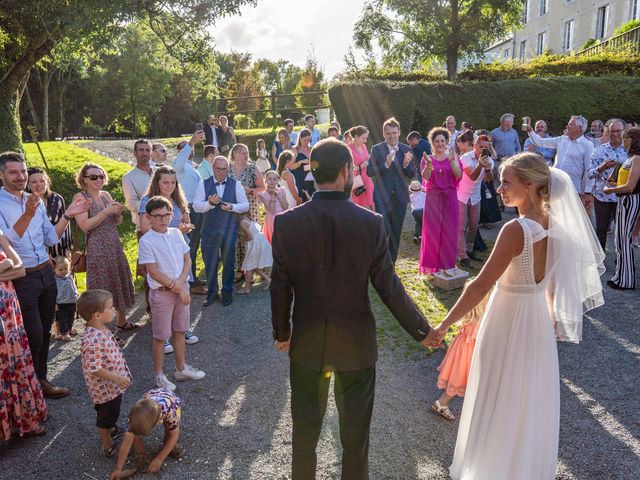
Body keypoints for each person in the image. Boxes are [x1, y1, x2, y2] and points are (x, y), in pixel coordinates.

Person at [270, 138, 438, 479]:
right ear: (347, 171)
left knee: (304, 435)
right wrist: (423, 330)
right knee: (355, 439)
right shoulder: (371, 222)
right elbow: (389, 289)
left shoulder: (287, 223)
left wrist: (282, 332)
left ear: (312, 172)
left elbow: (280, 286)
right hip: (356, 345)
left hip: (307, 344)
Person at [433, 153, 605, 480]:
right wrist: (551, 318)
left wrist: (443, 324)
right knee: (526, 399)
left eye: (506, 182)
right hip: (536, 320)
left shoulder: (517, 229)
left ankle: (489, 469)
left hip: (506, 317)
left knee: (496, 394)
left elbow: (481, 285)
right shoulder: (557, 226)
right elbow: (552, 285)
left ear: (529, 186)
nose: (499, 188)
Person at [0, 151, 90, 399]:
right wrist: (27, 215)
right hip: (21, 277)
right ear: (1, 174)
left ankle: (41, 380)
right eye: (13, 172)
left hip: (46, 273)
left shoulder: (35, 200)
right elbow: (4, 242)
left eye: (22, 171)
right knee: (33, 334)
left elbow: (51, 237)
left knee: (45, 331)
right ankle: (26, 388)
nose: (20, 177)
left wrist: (68, 214)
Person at [138, 196, 206, 390]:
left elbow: (188, 260)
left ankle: (181, 368)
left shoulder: (176, 233)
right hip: (162, 293)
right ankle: (159, 375)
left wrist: (182, 284)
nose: (163, 219)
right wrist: (177, 288)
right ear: (149, 218)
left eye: (167, 214)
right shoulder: (146, 240)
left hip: (180, 288)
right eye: (158, 216)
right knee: (161, 336)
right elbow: (153, 271)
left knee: (180, 330)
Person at [138, 166, 200, 351]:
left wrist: (185, 228)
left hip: (179, 248)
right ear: (157, 182)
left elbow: (186, 220)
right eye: (166, 182)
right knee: (162, 292)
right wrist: (172, 231)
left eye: (173, 182)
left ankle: (182, 328)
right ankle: (163, 335)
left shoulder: (179, 198)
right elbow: (144, 229)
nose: (170, 185)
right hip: (158, 251)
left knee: (182, 287)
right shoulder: (148, 200)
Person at [74, 163, 137, 335]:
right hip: (97, 248)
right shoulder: (81, 197)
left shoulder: (106, 195)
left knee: (119, 282)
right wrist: (106, 212)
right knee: (102, 287)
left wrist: (117, 213)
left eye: (101, 176)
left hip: (114, 245)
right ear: (84, 179)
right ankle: (103, 332)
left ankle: (122, 322)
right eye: (93, 177)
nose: (99, 179)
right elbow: (85, 226)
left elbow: (117, 223)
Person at [0, 231, 48, 440]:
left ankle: (25, 421)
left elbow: (19, 269)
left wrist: (7, 259)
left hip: (9, 311)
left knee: (16, 362)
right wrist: (6, 264)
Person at [78, 289, 132, 458]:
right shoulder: (92, 340)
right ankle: (108, 445)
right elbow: (95, 368)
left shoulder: (101, 328)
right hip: (106, 390)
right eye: (110, 307)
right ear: (97, 315)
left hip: (111, 387)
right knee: (105, 416)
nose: (114, 309)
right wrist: (118, 378)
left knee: (110, 412)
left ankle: (111, 427)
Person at [193, 156, 249, 307]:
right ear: (213, 168)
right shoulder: (203, 184)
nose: (222, 172)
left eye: (225, 169)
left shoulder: (235, 184)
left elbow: (245, 205)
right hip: (209, 230)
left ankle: (227, 292)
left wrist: (232, 207)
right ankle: (211, 293)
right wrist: (210, 204)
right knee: (210, 262)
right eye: (219, 169)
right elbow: (196, 207)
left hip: (229, 230)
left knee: (228, 263)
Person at [432, 284, 493, 421]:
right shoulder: (481, 323)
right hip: (468, 354)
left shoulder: (470, 315)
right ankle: (441, 403)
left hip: (460, 350)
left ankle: (446, 403)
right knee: (460, 380)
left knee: (458, 378)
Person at [366, 117, 416, 263]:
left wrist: (407, 165)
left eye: (394, 132)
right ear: (384, 134)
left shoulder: (406, 149)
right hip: (382, 197)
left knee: (395, 233)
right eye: (388, 133)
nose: (391, 136)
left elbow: (412, 174)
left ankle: (391, 264)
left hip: (400, 198)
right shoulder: (376, 149)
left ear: (399, 132)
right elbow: (369, 171)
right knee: (382, 232)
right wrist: (385, 164)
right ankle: (380, 262)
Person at [525, 115, 595, 212]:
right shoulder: (561, 139)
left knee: (570, 216)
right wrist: (530, 130)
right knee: (552, 213)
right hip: (555, 184)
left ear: (579, 128)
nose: (567, 126)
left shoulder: (587, 145)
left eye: (570, 124)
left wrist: (587, 191)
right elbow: (539, 142)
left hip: (573, 187)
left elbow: (589, 169)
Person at [110, 388, 184, 479]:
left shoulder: (170, 412)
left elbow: (175, 435)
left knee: (170, 430)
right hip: (149, 400)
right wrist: (118, 469)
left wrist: (160, 458)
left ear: (155, 424)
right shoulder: (134, 416)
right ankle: (141, 455)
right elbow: (126, 443)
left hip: (170, 401)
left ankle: (168, 445)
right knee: (134, 432)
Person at [420, 128, 463, 274]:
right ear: (432, 143)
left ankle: (447, 265)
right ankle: (432, 266)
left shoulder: (453, 156)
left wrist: (451, 161)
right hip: (433, 198)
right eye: (437, 141)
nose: (440, 143)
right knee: (433, 231)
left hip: (450, 197)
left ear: (447, 142)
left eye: (442, 141)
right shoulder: (427, 158)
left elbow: (458, 176)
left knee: (449, 230)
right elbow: (425, 178)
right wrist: (428, 166)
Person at [603, 127, 640, 290]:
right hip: (624, 200)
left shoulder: (637, 158)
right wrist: (613, 184)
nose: (622, 140)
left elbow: (631, 186)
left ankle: (627, 280)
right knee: (619, 240)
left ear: (632, 139)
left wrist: (610, 190)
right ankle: (620, 277)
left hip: (629, 200)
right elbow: (625, 184)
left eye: (624, 137)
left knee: (624, 240)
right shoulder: (631, 158)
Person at [122, 139, 155, 319]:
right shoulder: (129, 177)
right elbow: (132, 204)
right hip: (145, 228)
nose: (144, 153)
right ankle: (151, 311)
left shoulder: (159, 172)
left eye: (147, 150)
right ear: (135, 153)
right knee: (150, 271)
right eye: (141, 150)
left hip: (167, 227)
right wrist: (157, 206)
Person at [173, 132, 206, 288]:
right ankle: (190, 281)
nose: (190, 148)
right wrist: (192, 141)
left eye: (191, 146)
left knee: (194, 244)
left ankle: (191, 278)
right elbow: (178, 163)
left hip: (197, 208)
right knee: (190, 245)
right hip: (188, 209)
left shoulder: (191, 167)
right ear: (180, 151)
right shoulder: (178, 165)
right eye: (185, 146)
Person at [229, 143, 265, 281]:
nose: (246, 155)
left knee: (251, 236)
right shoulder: (228, 168)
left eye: (247, 152)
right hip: (233, 207)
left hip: (251, 207)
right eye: (243, 153)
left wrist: (249, 190)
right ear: (235, 154)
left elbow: (262, 187)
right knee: (236, 236)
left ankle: (252, 269)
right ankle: (239, 269)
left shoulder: (253, 167)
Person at [588, 119, 627, 250]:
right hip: (602, 196)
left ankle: (621, 261)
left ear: (624, 132)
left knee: (622, 230)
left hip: (622, 196)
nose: (615, 134)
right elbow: (589, 173)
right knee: (601, 229)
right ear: (607, 132)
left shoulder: (630, 151)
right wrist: (601, 167)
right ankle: (600, 260)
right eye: (612, 131)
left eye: (618, 131)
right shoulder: (598, 150)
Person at [456, 134, 494, 268]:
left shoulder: (489, 160)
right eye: (481, 146)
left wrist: (488, 168)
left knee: (473, 225)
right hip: (461, 195)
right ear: (475, 145)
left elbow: (488, 179)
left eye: (486, 147)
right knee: (461, 226)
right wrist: (480, 165)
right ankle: (462, 256)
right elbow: (472, 176)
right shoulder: (465, 157)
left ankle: (469, 250)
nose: (483, 149)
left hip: (476, 196)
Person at [26, 167, 73, 259]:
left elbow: (66, 226)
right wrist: (44, 253)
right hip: (38, 253)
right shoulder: (26, 203)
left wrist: (68, 248)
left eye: (42, 181)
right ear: (27, 185)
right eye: (34, 182)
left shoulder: (57, 199)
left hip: (59, 251)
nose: (39, 184)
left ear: (47, 182)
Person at [238, 213, 272, 294]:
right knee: (254, 265)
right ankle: (269, 280)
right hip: (260, 240)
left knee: (249, 266)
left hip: (256, 243)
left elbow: (250, 237)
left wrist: (241, 239)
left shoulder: (241, 223)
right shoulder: (247, 217)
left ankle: (246, 289)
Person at [348, 125, 375, 210]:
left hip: (367, 178)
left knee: (372, 201)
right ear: (356, 136)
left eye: (366, 138)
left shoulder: (363, 146)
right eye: (363, 138)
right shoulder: (348, 148)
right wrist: (361, 166)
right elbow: (347, 169)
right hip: (357, 182)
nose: (365, 141)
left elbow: (368, 160)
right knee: (358, 204)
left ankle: (375, 220)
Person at [53, 255, 78, 341]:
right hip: (60, 303)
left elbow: (73, 286)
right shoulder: (54, 280)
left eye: (66, 268)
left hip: (71, 301)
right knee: (62, 318)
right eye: (60, 269)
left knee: (71, 316)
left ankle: (70, 328)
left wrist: (76, 295)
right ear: (54, 269)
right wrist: (54, 303)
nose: (64, 271)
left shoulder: (69, 276)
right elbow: (53, 292)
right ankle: (64, 332)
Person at [259, 170, 288, 243]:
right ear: (265, 180)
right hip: (271, 220)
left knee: (282, 239)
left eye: (274, 179)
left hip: (282, 218)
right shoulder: (263, 195)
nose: (272, 181)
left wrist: (277, 194)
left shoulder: (282, 190)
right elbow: (271, 210)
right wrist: (273, 195)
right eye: (269, 179)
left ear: (278, 180)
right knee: (273, 240)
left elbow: (285, 207)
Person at [290, 128, 313, 201]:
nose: (307, 142)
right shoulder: (294, 149)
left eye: (309, 140)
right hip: (299, 180)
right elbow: (291, 167)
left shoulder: (311, 149)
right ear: (300, 138)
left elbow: (316, 166)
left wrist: (313, 165)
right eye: (305, 140)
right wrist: (301, 162)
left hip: (310, 179)